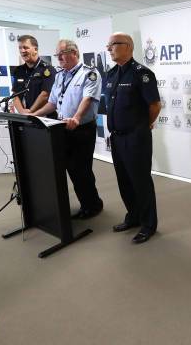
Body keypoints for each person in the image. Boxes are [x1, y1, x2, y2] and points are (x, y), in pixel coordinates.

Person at [32, 39, 104, 219]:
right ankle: (88, 203)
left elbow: (87, 99)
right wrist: (36, 115)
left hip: (82, 129)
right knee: (69, 169)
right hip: (62, 128)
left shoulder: (90, 73)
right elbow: (52, 103)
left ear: (74, 53)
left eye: (62, 54)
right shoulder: (60, 75)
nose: (59, 58)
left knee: (81, 170)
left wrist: (77, 118)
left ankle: (93, 205)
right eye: (57, 54)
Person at [106, 32, 161, 244]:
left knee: (140, 182)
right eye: (108, 46)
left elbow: (154, 105)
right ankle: (133, 216)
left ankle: (148, 225)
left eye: (112, 45)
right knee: (124, 182)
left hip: (136, 137)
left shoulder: (142, 73)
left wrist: (143, 125)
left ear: (127, 46)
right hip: (117, 138)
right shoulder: (110, 75)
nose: (109, 49)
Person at [12, 35, 56, 117]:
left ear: (35, 49)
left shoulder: (48, 70)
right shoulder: (18, 70)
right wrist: (22, 112)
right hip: (25, 117)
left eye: (25, 47)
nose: (22, 50)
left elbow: (45, 95)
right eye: (20, 48)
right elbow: (15, 95)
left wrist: (31, 111)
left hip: (44, 117)